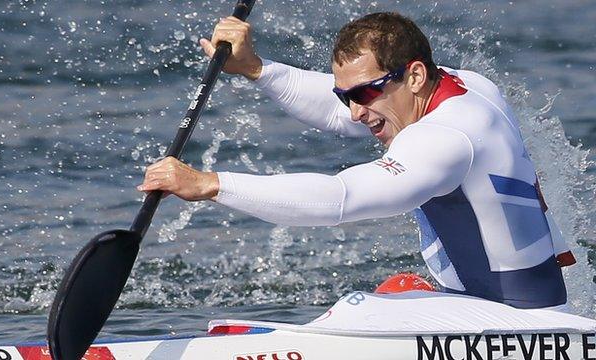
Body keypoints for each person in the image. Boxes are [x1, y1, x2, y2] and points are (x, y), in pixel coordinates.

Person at [137, 12, 576, 309]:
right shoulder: (467, 86)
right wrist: (257, 68)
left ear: (415, 75)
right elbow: (338, 111)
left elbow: (340, 199)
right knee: (393, 291)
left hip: (510, 326)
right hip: (522, 307)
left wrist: (210, 184)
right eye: (345, 94)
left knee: (355, 308)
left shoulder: (445, 139)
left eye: (365, 93)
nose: (353, 111)